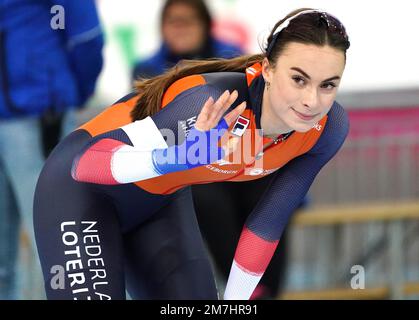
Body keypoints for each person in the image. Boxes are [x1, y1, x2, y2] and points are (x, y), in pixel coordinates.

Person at [34, 8, 350, 300]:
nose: (312, 101)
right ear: (267, 69)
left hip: (158, 203)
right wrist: (180, 157)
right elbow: (88, 164)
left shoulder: (328, 127)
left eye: (328, 85)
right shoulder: (214, 104)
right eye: (298, 79)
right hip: (80, 192)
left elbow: (267, 222)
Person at [0, 0, 103, 299]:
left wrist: (69, 93)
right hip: (24, 115)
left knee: (54, 244)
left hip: (38, 118)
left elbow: (87, 37)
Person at [132, 0, 243, 80]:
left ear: (205, 25)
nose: (180, 29)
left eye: (188, 21)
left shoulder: (231, 59)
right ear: (162, 27)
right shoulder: (145, 70)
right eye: (173, 22)